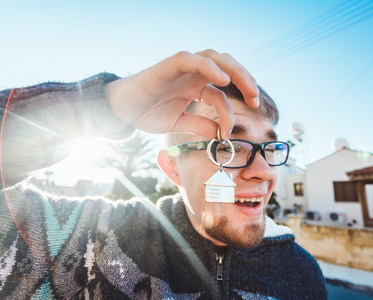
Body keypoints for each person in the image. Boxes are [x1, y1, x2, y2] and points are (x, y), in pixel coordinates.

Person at [0, 50, 327, 299]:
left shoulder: (302, 273)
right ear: (172, 168)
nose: (262, 171)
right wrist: (108, 104)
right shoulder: (90, 238)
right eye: (227, 146)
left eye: (269, 149)